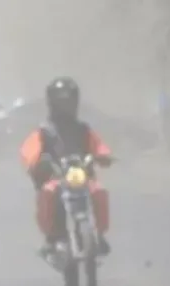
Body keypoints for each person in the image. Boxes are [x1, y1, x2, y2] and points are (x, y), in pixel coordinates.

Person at [18, 77, 112, 256]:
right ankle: (52, 237)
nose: (65, 106)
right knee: (48, 193)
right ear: (52, 103)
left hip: (83, 178)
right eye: (61, 102)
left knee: (99, 192)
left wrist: (103, 156)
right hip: (56, 178)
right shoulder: (44, 131)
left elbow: (98, 146)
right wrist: (36, 161)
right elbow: (29, 149)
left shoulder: (83, 129)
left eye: (68, 102)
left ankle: (98, 234)